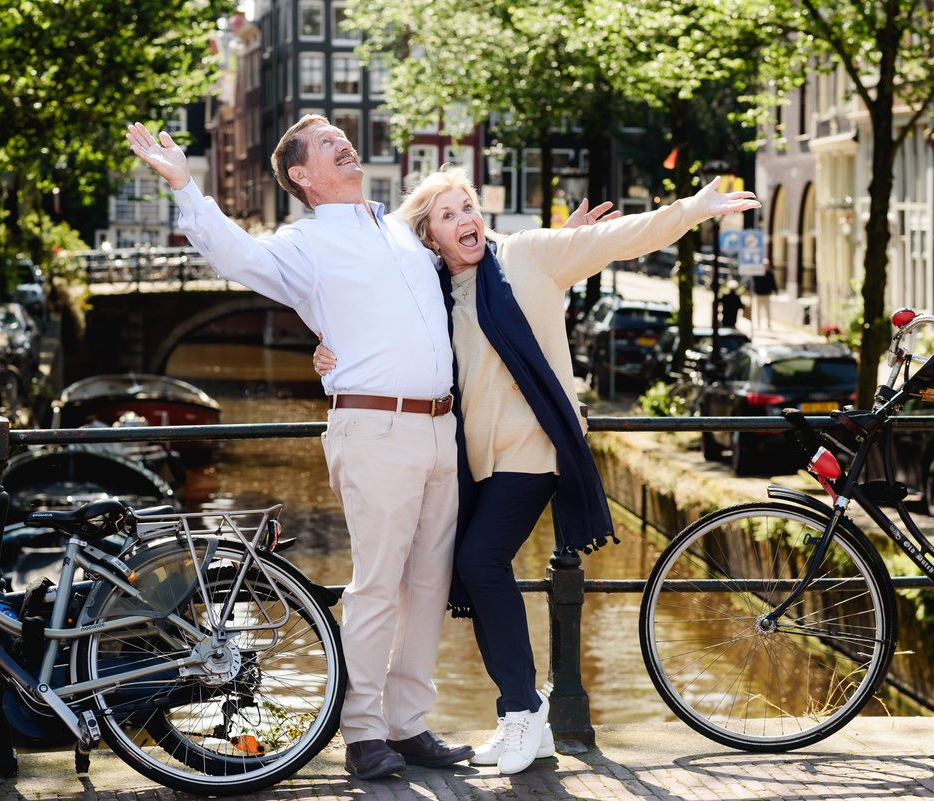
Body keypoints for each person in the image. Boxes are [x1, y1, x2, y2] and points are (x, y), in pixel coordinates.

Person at [315, 167, 759, 774]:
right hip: (474, 462)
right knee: (469, 570)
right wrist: (331, 351)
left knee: (479, 563)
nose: (465, 220)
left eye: (468, 207)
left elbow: (620, 238)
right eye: (447, 215)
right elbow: (374, 324)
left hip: (533, 448)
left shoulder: (525, 254)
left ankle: (524, 712)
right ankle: (522, 718)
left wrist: (692, 209)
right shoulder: (430, 293)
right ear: (429, 236)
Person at [125, 116, 474, 782]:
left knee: (429, 583)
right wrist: (185, 187)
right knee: (378, 584)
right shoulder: (305, 243)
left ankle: (408, 723)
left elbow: (466, 261)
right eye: (328, 143)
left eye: (343, 135)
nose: (345, 142)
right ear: (301, 175)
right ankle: (364, 732)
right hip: (375, 428)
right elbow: (236, 256)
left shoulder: (400, 229)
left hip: (439, 426)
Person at [753, 258, 777, 329]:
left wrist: (775, 291)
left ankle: (769, 323)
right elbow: (754, 282)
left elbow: (773, 283)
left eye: (767, 265)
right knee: (758, 310)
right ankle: (758, 323)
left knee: (768, 310)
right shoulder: (758, 273)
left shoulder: (770, 273)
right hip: (759, 294)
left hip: (767, 294)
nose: (766, 266)